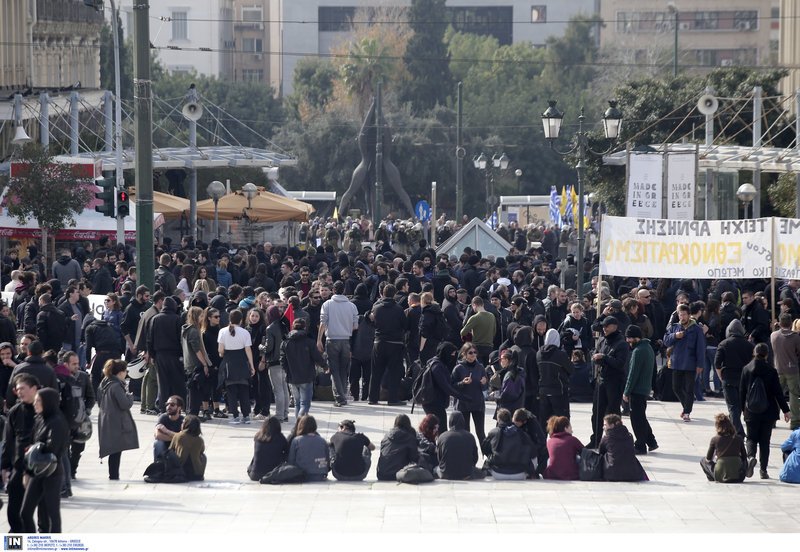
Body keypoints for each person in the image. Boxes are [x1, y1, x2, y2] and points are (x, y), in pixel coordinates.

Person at [20, 387, 70, 533]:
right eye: (35, 401)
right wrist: (27, 472)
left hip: (52, 472)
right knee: (26, 512)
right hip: (37, 471)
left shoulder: (57, 422)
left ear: (48, 402)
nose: (35, 404)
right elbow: (32, 445)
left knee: (52, 514)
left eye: (38, 401)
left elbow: (53, 449)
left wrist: (37, 448)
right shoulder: (40, 418)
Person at [740, 343, 791, 479]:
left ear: (754, 353)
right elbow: (778, 393)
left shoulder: (746, 369)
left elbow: (742, 392)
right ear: (767, 354)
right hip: (768, 411)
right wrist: (786, 410)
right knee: (765, 441)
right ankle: (763, 470)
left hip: (751, 410)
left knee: (751, 438)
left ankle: (751, 457)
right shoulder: (771, 371)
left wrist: (741, 409)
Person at [2, 374, 40, 532]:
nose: (20, 392)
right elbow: (8, 440)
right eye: (17, 390)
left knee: (37, 514)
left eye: (23, 389)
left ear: (34, 389)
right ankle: (15, 544)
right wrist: (4, 466)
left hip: (39, 469)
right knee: (14, 511)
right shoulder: (15, 411)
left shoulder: (44, 409)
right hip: (19, 467)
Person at [587, 316, 629, 448]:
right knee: (597, 412)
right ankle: (596, 439)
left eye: (607, 326)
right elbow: (597, 353)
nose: (604, 329)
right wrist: (596, 358)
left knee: (612, 412)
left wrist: (605, 358)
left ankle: (614, 440)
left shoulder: (621, 344)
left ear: (614, 327)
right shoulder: (602, 340)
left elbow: (620, 363)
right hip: (601, 380)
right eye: (603, 326)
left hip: (615, 382)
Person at [317, 280, 359, 407]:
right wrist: (345, 330)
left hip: (332, 339)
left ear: (333, 290)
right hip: (346, 340)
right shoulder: (352, 306)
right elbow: (355, 326)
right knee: (343, 370)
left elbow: (323, 323)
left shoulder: (327, 304)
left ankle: (340, 397)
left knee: (334, 370)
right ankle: (343, 394)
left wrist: (319, 339)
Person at [663, 304, 706, 423]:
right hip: (676, 362)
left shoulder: (696, 329)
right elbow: (666, 341)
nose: (682, 317)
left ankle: (687, 412)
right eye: (680, 314)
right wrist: (675, 336)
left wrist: (700, 365)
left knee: (689, 389)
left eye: (684, 314)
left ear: (689, 315)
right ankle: (685, 406)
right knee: (676, 387)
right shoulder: (674, 327)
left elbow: (701, 348)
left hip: (691, 363)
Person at [97, 359, 139, 480]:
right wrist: (130, 396)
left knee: (113, 449)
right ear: (120, 373)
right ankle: (114, 475)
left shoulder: (104, 383)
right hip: (116, 421)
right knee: (116, 450)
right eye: (126, 371)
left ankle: (113, 474)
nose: (126, 373)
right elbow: (125, 404)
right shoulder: (116, 386)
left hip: (106, 419)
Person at [369, 284, 408, 406]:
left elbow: (372, 322)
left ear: (383, 293)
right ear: (394, 294)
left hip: (379, 342)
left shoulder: (376, 308)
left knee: (375, 372)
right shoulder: (398, 309)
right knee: (394, 372)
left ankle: (373, 398)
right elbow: (405, 326)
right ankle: (392, 398)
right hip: (395, 343)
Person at [281, 318, 328, 419]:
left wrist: (287, 371)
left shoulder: (286, 342)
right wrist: (324, 366)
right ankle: (300, 421)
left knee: (297, 403)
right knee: (305, 403)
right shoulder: (309, 341)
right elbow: (316, 357)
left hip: (292, 376)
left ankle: (299, 423)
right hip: (307, 376)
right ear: (304, 327)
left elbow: (282, 360)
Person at [714, 319, 754, 437]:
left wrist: (720, 376)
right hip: (744, 380)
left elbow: (717, 363)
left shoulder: (724, 344)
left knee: (732, 407)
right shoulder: (749, 345)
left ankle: (739, 432)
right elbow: (753, 362)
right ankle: (734, 429)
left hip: (729, 378)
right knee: (740, 407)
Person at [623, 325, 658, 455]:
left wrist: (626, 391)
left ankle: (640, 445)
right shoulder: (648, 348)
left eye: (630, 338)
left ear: (637, 338)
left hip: (637, 390)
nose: (628, 341)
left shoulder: (638, 351)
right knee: (641, 417)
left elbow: (633, 374)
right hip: (644, 389)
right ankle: (651, 441)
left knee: (637, 420)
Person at [147, 296, 185, 413]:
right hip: (175, 355)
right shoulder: (178, 319)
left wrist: (152, 355)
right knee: (177, 382)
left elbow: (150, 339)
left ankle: (164, 407)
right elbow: (181, 339)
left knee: (162, 383)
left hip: (160, 355)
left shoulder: (155, 319)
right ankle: (177, 406)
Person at [218, 310, 256, 424]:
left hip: (229, 363)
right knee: (244, 390)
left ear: (230, 318)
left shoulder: (222, 331)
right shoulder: (245, 332)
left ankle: (235, 416)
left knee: (231, 392)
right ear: (241, 320)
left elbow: (220, 351)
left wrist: (223, 354)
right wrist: (252, 366)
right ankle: (246, 416)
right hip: (242, 363)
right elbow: (248, 350)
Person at [420, 341, 465, 428]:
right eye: (452, 353)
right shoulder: (437, 366)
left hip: (434, 401)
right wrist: (463, 397)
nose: (453, 356)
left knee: (435, 428)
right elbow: (446, 386)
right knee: (441, 429)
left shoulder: (438, 363)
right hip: (433, 402)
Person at [482, 408, 535, 480]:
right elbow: (533, 452)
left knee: (486, 456)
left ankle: (487, 472)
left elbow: (484, 449)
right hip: (519, 473)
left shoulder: (493, 432)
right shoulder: (522, 433)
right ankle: (531, 475)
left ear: (498, 419)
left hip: (498, 473)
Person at [451, 342, 488, 444]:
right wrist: (462, 382)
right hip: (463, 405)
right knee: (465, 433)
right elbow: (452, 386)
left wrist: (484, 383)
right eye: (470, 352)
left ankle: (488, 458)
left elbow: (485, 387)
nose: (473, 355)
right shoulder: (458, 368)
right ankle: (467, 458)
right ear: (464, 354)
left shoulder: (480, 367)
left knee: (481, 433)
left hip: (477, 404)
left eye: (475, 352)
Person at [770, 312, 800, 431]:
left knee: (776, 395)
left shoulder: (774, 335)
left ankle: (772, 419)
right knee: (794, 395)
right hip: (792, 368)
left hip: (778, 368)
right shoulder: (795, 337)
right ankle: (795, 421)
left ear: (780, 323)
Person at [537, 328, 573, 424]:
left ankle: (542, 439)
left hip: (543, 391)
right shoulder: (560, 354)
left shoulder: (538, 354)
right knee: (561, 420)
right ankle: (561, 438)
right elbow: (571, 369)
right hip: (558, 390)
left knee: (543, 421)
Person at [181, 307, 212, 419]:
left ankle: (191, 413)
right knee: (195, 390)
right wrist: (204, 364)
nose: (203, 317)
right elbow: (197, 349)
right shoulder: (193, 331)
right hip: (195, 364)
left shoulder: (185, 329)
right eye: (201, 315)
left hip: (188, 363)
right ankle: (193, 414)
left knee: (191, 389)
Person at [598, 414, 647, 482]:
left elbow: (601, 452)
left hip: (613, 475)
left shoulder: (607, 438)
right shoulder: (629, 436)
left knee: (606, 455)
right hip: (632, 474)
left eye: (605, 425)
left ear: (612, 425)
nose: (603, 427)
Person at [701, 413, 747, 483]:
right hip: (739, 477)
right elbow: (744, 456)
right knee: (744, 461)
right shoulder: (738, 438)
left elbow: (708, 459)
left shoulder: (715, 439)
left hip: (721, 475)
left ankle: (713, 477)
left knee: (703, 460)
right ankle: (746, 470)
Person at [435, 411, 481, 480]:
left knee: (435, 469)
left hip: (446, 473)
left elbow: (439, 457)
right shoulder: (470, 436)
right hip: (466, 473)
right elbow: (475, 458)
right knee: (480, 472)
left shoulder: (442, 436)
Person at [262, 306, 288, 422]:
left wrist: (260, 347)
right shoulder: (284, 325)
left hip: (274, 361)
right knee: (284, 388)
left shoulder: (270, 328)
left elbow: (269, 348)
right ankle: (285, 413)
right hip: (285, 361)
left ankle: (279, 415)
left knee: (278, 390)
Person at [287, 415, 330, 481]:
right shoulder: (322, 440)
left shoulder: (296, 440)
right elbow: (327, 459)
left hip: (302, 474)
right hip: (320, 474)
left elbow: (291, 460)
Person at [377, 414, 419, 481]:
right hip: (399, 474)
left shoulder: (386, 436)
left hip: (381, 474)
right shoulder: (410, 438)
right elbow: (414, 458)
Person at [248, 416, 289, 481]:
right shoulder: (280, 437)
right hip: (272, 474)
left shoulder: (258, 436)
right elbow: (287, 451)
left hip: (255, 474)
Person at [543, 415, 583, 480]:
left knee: (550, 459)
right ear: (565, 428)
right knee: (578, 457)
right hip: (571, 474)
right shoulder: (572, 439)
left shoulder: (550, 441)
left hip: (552, 474)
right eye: (570, 427)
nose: (572, 431)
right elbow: (585, 452)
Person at [168, 415, 206, 481]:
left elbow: (170, 449)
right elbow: (202, 451)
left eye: (183, 422)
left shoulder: (179, 436)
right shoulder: (200, 440)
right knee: (203, 456)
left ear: (186, 424)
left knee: (170, 454)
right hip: (196, 475)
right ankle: (200, 472)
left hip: (181, 473)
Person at [460, 297, 496, 365]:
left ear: (474, 305)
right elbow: (494, 332)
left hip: (477, 347)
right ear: (482, 304)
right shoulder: (492, 316)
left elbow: (463, 332)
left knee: (479, 370)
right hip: (489, 347)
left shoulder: (475, 318)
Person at [154, 395, 185, 460]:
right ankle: (159, 466)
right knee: (158, 443)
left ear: (179, 408)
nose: (168, 407)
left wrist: (166, 431)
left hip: (178, 447)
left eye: (172, 405)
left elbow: (184, 438)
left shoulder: (184, 421)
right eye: (167, 404)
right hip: (164, 445)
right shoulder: (163, 417)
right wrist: (176, 438)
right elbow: (158, 435)